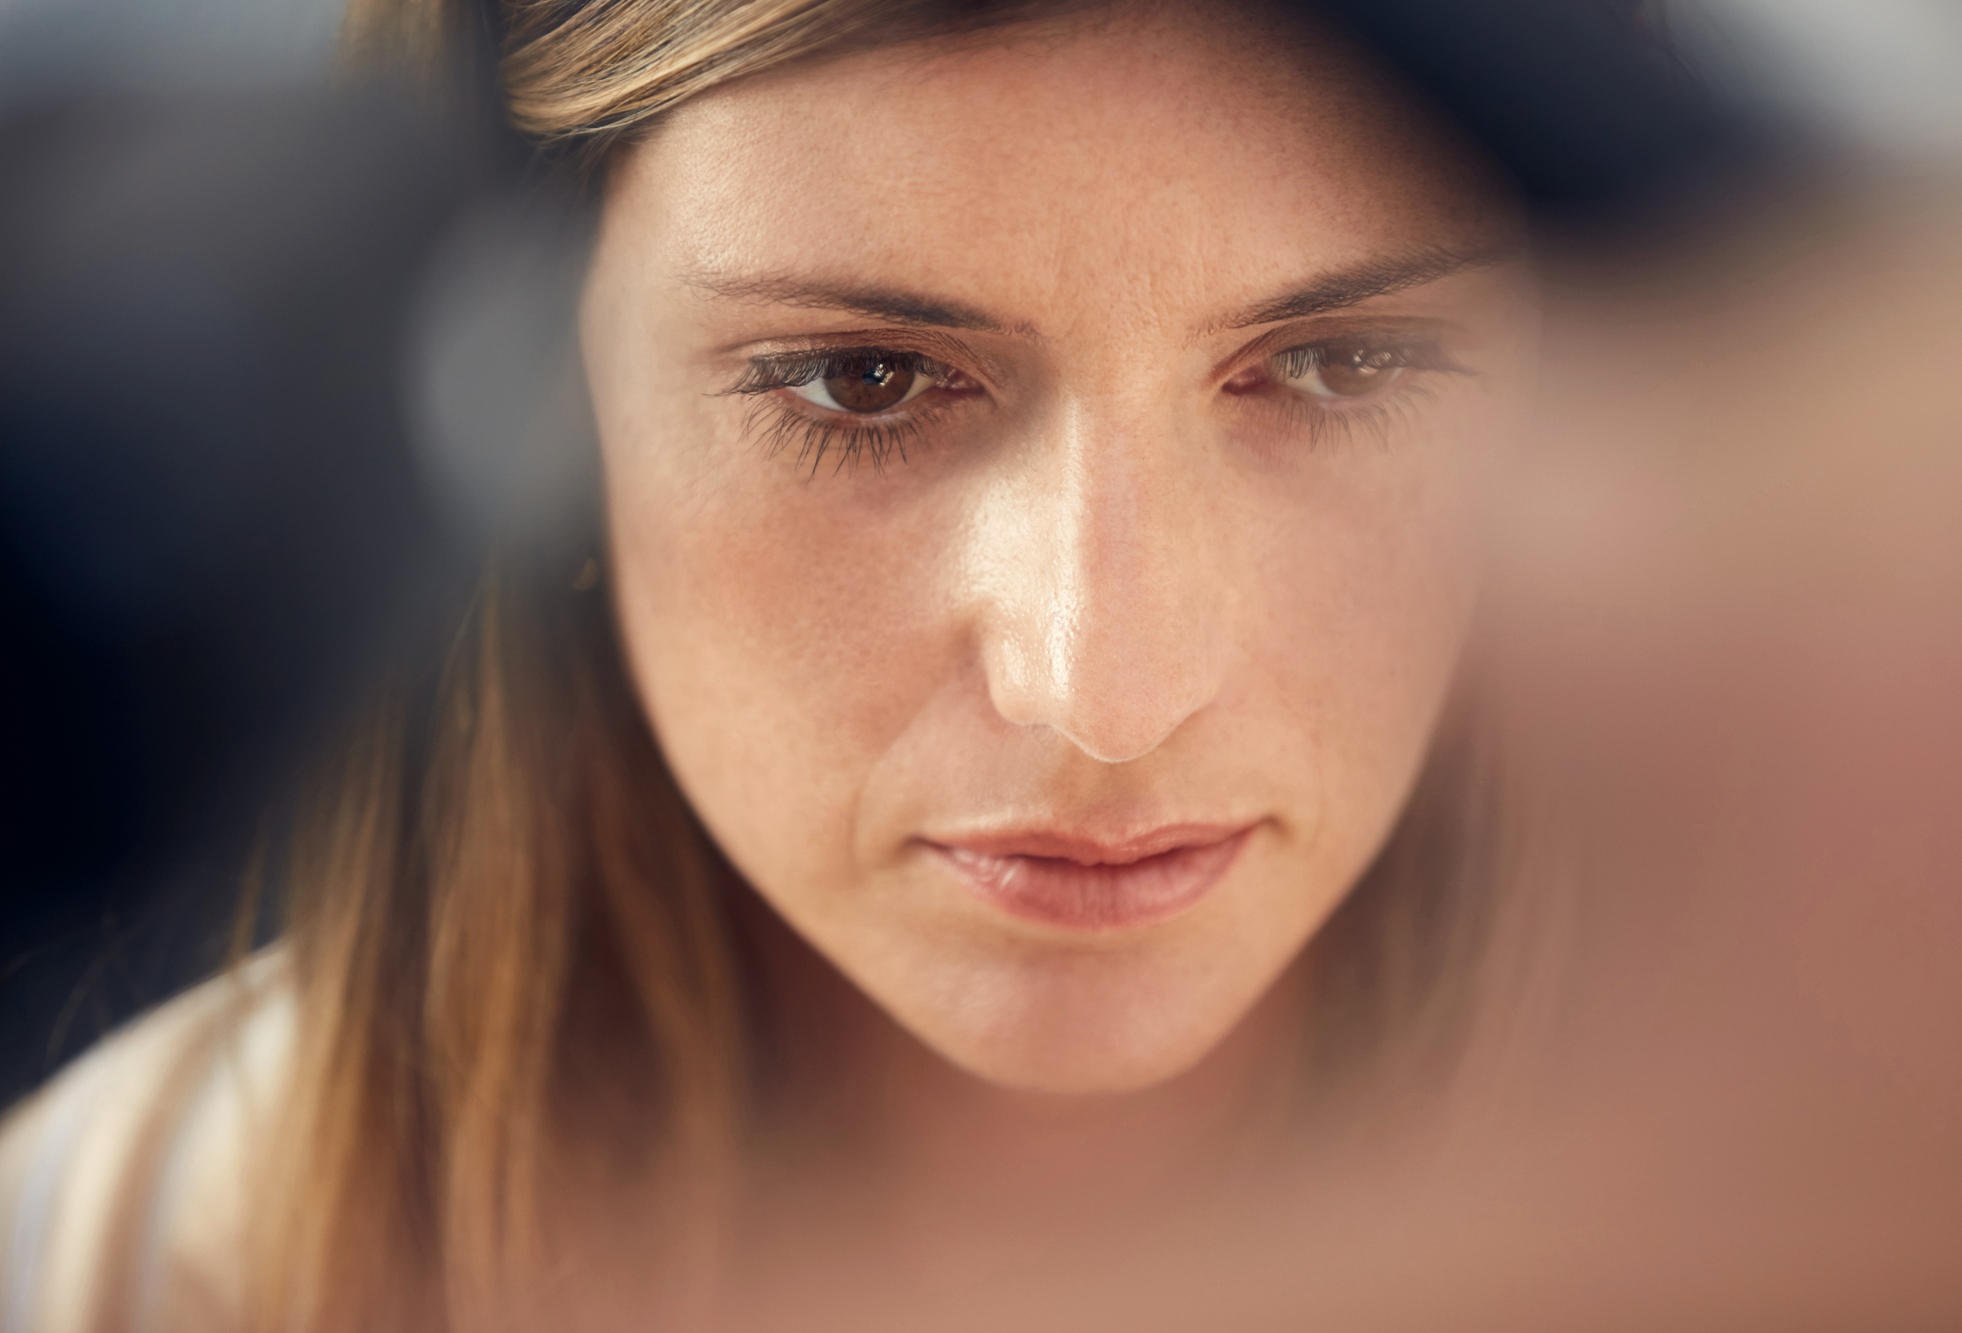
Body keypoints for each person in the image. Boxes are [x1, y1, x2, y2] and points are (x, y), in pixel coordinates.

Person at [0, 1, 1564, 1327]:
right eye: (866, 380)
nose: (1107, 692)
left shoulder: (1799, 1218)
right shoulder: (116, 1264)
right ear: (526, 394)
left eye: (1340, 364)